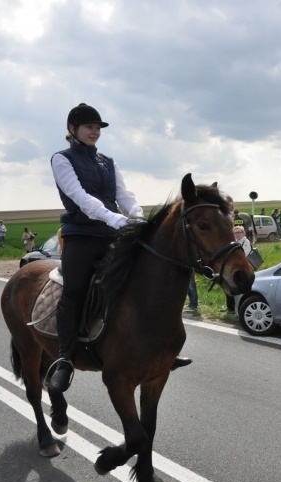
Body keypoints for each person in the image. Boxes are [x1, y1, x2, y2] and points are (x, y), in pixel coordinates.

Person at [46, 103, 190, 393]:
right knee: (74, 291)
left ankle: (158, 347)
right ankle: (64, 358)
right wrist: (113, 218)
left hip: (114, 234)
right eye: (89, 126)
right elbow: (80, 196)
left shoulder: (108, 161)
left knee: (145, 282)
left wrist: (137, 218)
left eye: (98, 127)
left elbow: (124, 194)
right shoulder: (62, 159)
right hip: (82, 235)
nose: (95, 131)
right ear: (72, 130)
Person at [225, 226, 252, 311]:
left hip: (243, 269)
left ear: (243, 233)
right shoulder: (234, 242)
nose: (237, 234)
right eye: (235, 233)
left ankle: (238, 307)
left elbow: (245, 254)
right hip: (234, 268)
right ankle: (231, 307)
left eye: (239, 232)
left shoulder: (245, 241)